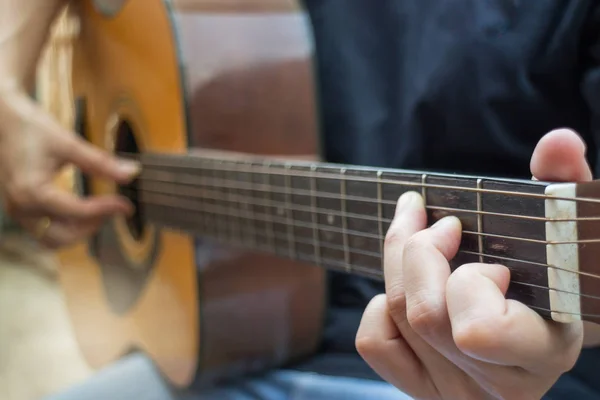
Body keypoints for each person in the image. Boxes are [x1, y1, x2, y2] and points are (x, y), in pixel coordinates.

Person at [2, 0, 600, 399]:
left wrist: (545, 337)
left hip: (447, 377)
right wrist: (7, 90)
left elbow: (581, 271)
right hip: (222, 331)